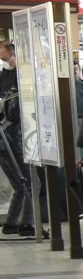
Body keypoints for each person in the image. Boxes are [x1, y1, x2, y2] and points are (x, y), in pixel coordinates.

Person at [0, 40, 34, 239]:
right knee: (28, 183)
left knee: (19, 186)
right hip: (14, 140)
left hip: (4, 140)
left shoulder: (18, 77)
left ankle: (12, 223)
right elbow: (14, 114)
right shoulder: (11, 79)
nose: (4, 62)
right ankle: (27, 223)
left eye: (4, 57)